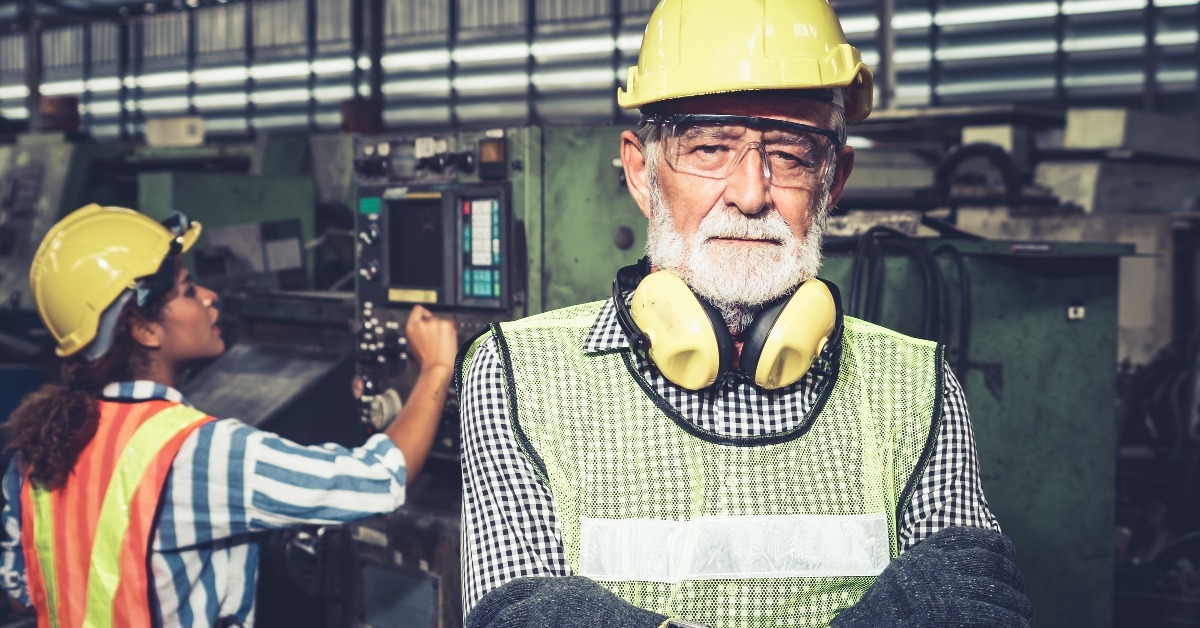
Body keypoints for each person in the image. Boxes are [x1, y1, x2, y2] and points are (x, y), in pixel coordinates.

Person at [457, 1, 1035, 626]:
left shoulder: (915, 386)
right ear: (640, 171)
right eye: (708, 148)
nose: (751, 193)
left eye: (790, 154)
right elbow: (519, 615)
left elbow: (970, 604)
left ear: (833, 180)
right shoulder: (519, 377)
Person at [0, 204, 458, 626]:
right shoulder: (194, 452)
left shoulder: (39, 447)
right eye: (186, 289)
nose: (209, 296)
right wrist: (435, 366)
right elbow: (380, 480)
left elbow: (21, 593)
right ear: (141, 327)